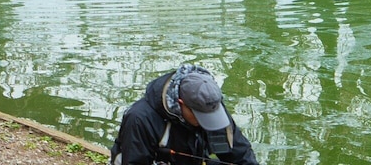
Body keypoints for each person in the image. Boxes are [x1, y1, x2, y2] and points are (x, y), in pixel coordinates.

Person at [109, 65, 259, 165]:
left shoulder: (210, 105)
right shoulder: (139, 119)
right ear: (180, 103)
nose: (205, 122)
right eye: (199, 116)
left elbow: (240, 154)